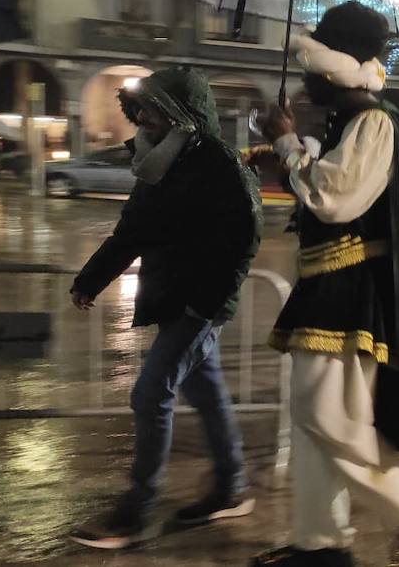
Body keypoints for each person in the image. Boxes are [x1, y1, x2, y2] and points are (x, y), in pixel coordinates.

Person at [256, 2, 399, 566]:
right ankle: (320, 545)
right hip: (328, 285)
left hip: (352, 292)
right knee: (312, 421)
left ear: (332, 69)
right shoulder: (351, 123)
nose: (308, 78)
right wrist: (300, 146)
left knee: (328, 416)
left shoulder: (375, 121)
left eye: (313, 67)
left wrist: (289, 144)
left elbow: (336, 198)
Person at [66, 67, 262, 550]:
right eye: (142, 108)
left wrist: (206, 303)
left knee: (151, 393)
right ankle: (231, 485)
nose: (145, 117)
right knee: (206, 389)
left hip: (199, 305)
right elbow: (132, 231)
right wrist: (91, 279)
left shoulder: (219, 164)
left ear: (181, 112)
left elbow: (244, 238)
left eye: (154, 107)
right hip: (171, 296)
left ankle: (138, 510)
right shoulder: (156, 163)